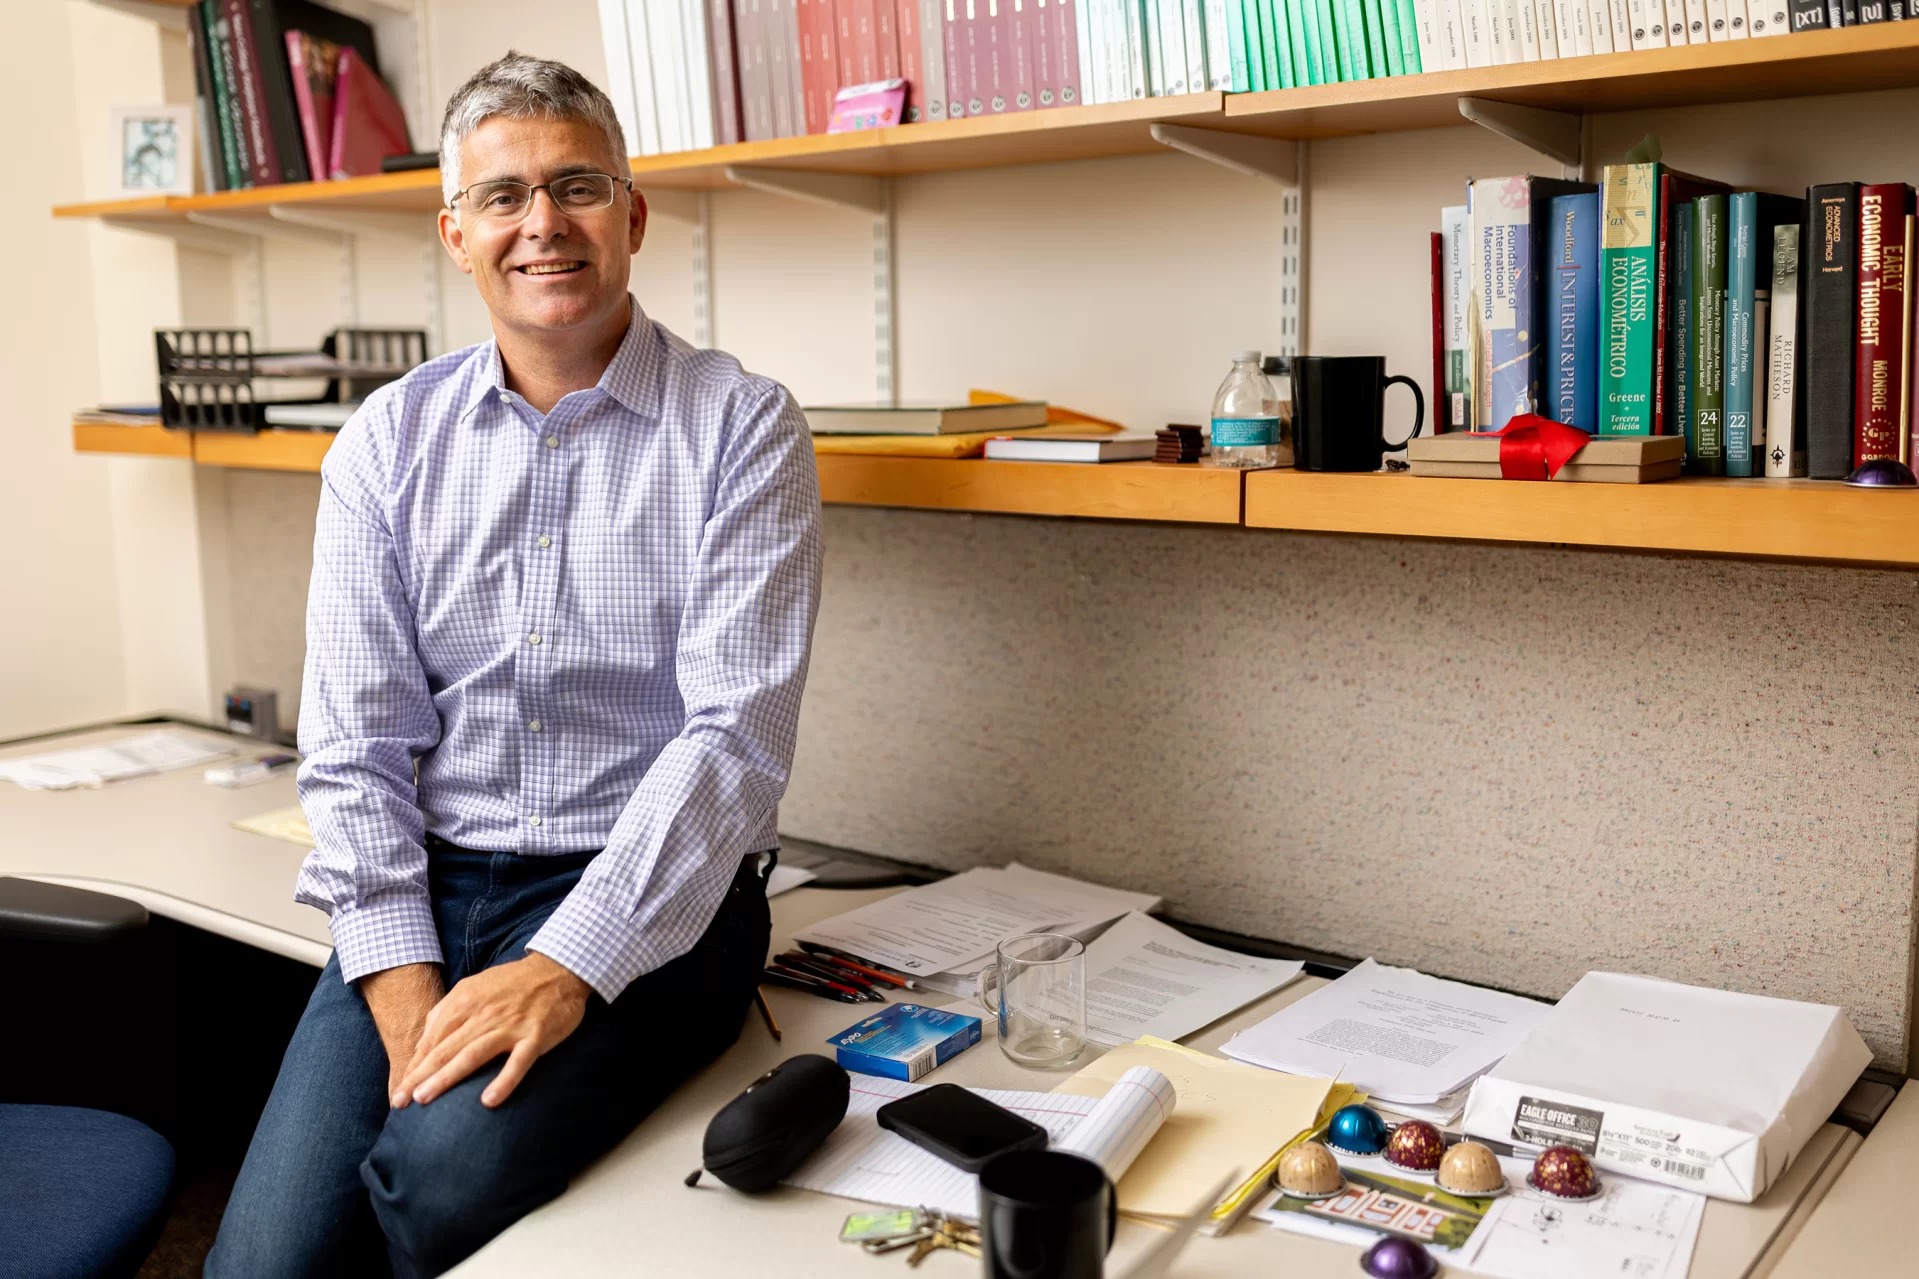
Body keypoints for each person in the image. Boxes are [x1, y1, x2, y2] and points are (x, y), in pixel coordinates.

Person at [206, 51, 822, 1279]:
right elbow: (353, 748)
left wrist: (566, 965)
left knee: (433, 1183)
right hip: (427, 888)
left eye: (576, 185)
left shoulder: (741, 426)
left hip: (653, 898)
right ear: (455, 234)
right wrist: (404, 1013)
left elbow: (733, 740)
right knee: (263, 1261)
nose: (541, 223)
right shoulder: (385, 442)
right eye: (501, 196)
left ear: (633, 216)